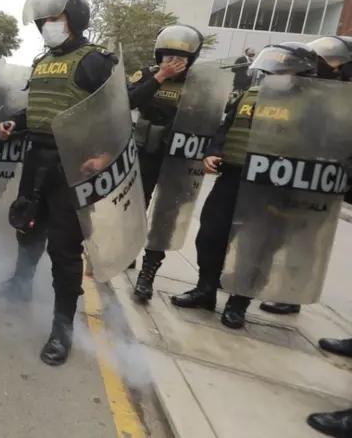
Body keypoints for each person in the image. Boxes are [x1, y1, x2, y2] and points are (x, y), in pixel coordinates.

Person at [0, 0, 117, 366]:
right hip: (38, 158)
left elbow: (116, 116)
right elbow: (41, 112)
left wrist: (104, 156)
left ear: (74, 20)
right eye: (44, 20)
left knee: (64, 249)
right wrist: (14, 122)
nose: (47, 26)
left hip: (73, 166)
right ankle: (19, 286)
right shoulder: (43, 62)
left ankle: (62, 328)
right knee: (27, 226)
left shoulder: (95, 61)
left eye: (55, 19)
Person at [170, 42, 319, 329]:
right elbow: (226, 127)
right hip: (232, 177)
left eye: (285, 69)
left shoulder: (310, 104)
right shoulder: (251, 93)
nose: (277, 73)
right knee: (211, 236)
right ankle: (205, 290)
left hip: (271, 186)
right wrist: (212, 152)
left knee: (256, 247)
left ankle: (238, 303)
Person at [256, 35, 352, 318]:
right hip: (298, 169)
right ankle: (271, 284)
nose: (328, 67)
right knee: (283, 230)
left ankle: (292, 293)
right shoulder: (318, 92)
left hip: (325, 174)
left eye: (334, 63)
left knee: (306, 236)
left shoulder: (343, 97)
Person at [124, 25, 196, 302]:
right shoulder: (146, 74)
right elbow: (129, 99)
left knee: (165, 217)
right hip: (144, 153)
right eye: (168, 56)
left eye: (180, 58)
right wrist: (162, 77)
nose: (173, 62)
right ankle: (126, 252)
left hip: (177, 156)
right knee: (134, 205)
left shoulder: (199, 82)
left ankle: (148, 276)